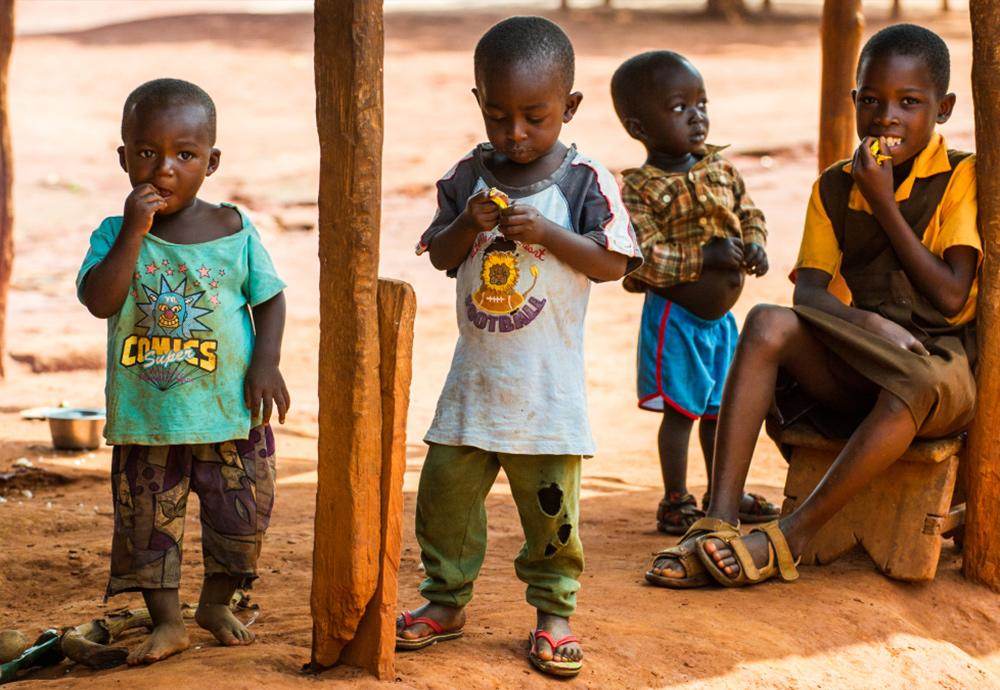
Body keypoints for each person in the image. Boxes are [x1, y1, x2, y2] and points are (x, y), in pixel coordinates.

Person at [646, 24, 979, 588]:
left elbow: (950, 297)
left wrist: (883, 202)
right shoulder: (834, 185)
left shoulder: (962, 176)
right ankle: (716, 521)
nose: (886, 117)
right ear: (854, 102)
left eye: (909, 102)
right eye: (870, 100)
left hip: (938, 368)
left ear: (942, 109)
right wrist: (865, 320)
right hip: (863, 355)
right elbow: (810, 292)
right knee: (766, 322)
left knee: (913, 383)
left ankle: (788, 537)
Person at [397, 16, 641, 678]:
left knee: (551, 516)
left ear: (570, 107)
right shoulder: (466, 176)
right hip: (473, 385)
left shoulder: (585, 180)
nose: (515, 133)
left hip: (545, 391)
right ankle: (443, 602)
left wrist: (550, 235)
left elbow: (614, 264)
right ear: (479, 102)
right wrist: (464, 224)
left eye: (535, 116)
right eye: (499, 115)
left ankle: (554, 612)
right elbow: (443, 258)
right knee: (443, 502)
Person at [77, 78, 289, 664]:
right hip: (150, 417)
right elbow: (101, 299)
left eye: (185, 155)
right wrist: (133, 233)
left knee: (240, 517)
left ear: (211, 162)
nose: (164, 169)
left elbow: (268, 298)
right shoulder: (112, 234)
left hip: (228, 413)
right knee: (147, 524)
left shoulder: (232, 229)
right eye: (147, 153)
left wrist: (266, 365)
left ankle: (216, 603)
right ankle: (167, 620)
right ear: (124, 158)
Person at [610, 51, 779, 542]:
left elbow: (750, 213)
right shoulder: (637, 188)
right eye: (679, 107)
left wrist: (755, 245)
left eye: (701, 103)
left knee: (720, 409)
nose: (697, 115)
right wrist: (705, 258)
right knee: (682, 413)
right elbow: (643, 256)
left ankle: (724, 494)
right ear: (639, 127)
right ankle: (675, 500)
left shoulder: (720, 168)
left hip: (720, 322)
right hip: (677, 318)